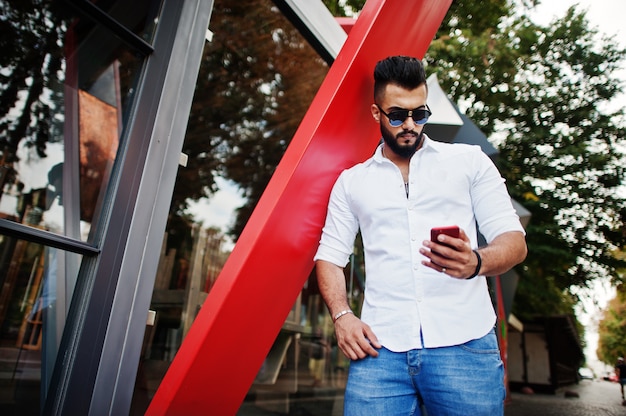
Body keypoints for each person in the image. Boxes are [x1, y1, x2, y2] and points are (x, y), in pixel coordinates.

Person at [313, 55, 527, 416]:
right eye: (397, 115)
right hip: (380, 351)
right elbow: (330, 257)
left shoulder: (470, 162)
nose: (410, 125)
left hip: (466, 345)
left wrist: (476, 261)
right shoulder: (352, 182)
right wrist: (342, 316)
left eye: (419, 113)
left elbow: (514, 241)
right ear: (376, 113)